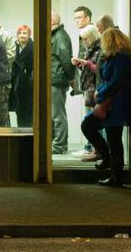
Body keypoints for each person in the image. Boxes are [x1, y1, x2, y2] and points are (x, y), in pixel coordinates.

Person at [79, 28, 131, 187]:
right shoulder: (115, 57)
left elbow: (117, 81)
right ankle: (109, 162)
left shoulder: (121, 59)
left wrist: (100, 93)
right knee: (102, 132)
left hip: (115, 103)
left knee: (112, 138)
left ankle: (115, 175)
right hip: (111, 102)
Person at [71, 24, 102, 162]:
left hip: (95, 89)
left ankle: (97, 151)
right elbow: (90, 68)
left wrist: (87, 63)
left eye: (85, 39)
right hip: (89, 88)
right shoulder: (91, 48)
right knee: (90, 121)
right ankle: (95, 149)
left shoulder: (99, 49)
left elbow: (99, 69)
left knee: (93, 122)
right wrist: (80, 64)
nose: (84, 42)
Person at [71, 6, 96, 159]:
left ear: (88, 18)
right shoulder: (84, 34)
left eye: (79, 17)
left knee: (91, 117)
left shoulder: (90, 34)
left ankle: (93, 148)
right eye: (75, 18)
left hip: (92, 84)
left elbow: (93, 61)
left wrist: (83, 63)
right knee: (89, 117)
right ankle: (90, 146)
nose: (77, 21)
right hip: (87, 81)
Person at [51, 10, 75, 154]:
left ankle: (59, 145)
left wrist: (71, 78)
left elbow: (66, 61)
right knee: (55, 115)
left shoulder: (59, 36)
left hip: (57, 80)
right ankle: (56, 143)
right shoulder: (56, 35)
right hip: (54, 79)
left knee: (58, 115)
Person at [10, 24, 34, 127]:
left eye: (25, 33)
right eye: (19, 33)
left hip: (29, 84)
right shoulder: (14, 47)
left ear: (29, 35)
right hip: (16, 84)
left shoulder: (33, 48)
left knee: (28, 112)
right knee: (18, 111)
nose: (22, 35)